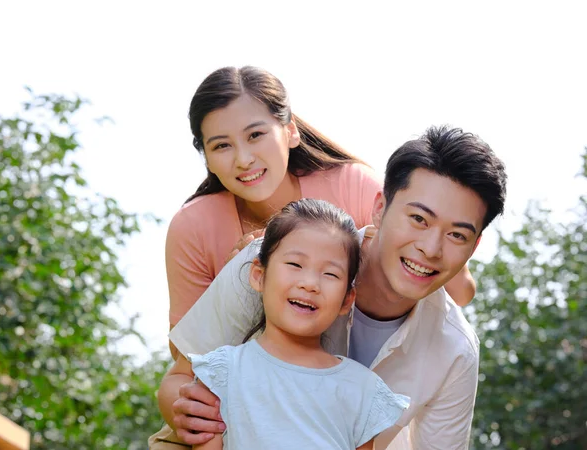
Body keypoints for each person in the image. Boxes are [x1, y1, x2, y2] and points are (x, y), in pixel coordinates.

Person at [156, 126, 508, 449]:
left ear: (473, 247)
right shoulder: (274, 265)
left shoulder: (454, 350)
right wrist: (189, 414)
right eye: (418, 219)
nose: (430, 248)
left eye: (456, 235)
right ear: (379, 208)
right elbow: (177, 382)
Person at [166, 66, 476, 354]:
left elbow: (458, 294)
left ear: (290, 132)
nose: (243, 159)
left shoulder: (351, 186)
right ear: (205, 155)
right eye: (222, 145)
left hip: (367, 368)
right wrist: (234, 284)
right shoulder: (193, 226)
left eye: (255, 135)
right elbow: (185, 353)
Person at [162, 199, 410, 449]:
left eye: (330, 274)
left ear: (347, 299)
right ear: (259, 275)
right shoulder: (223, 371)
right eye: (295, 264)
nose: (309, 283)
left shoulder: (361, 389)